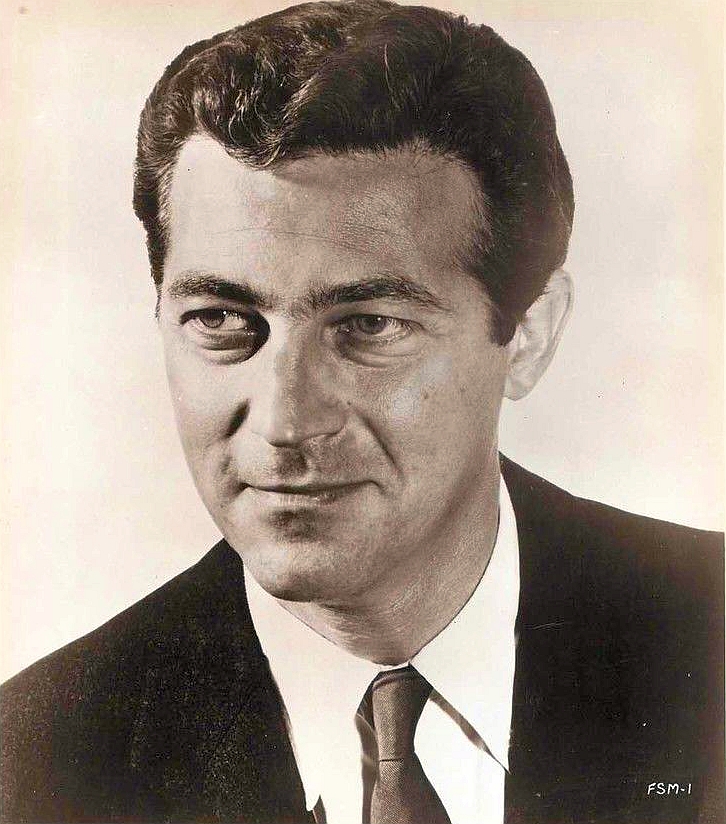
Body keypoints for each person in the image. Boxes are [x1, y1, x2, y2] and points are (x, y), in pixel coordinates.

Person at [1, 2, 722, 823]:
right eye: (221, 319)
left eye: (370, 325)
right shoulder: (33, 772)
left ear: (527, 335)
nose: (285, 423)